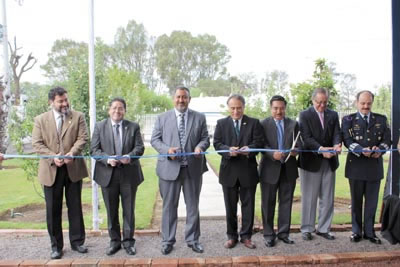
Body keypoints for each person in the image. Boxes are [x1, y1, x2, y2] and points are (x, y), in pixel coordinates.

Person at [151, 86, 210, 255]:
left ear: (189, 99)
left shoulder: (199, 117)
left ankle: (192, 239)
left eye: (184, 97)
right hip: (169, 169)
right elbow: (155, 140)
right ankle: (168, 240)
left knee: (193, 206)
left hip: (192, 169)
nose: (181, 100)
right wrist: (167, 150)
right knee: (169, 206)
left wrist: (200, 147)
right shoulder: (162, 118)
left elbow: (205, 138)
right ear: (173, 98)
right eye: (178, 97)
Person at [32, 87, 89, 259]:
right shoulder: (40, 120)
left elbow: (83, 138)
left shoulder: (78, 116)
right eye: (60, 101)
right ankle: (56, 247)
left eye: (66, 100)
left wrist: (72, 152)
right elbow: (37, 143)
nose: (65, 103)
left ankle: (77, 242)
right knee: (52, 210)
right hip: (51, 171)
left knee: (75, 207)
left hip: (73, 169)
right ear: (51, 102)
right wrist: (52, 157)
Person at [91, 97, 145, 256]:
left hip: (128, 174)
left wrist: (130, 156)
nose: (117, 111)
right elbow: (94, 150)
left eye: (120, 108)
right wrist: (107, 159)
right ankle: (114, 241)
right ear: (109, 110)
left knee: (129, 210)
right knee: (111, 210)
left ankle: (128, 242)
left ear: (124, 111)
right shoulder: (100, 127)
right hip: (108, 175)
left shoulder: (133, 127)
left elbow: (139, 148)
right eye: (114, 108)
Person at [213, 94, 264, 249]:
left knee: (248, 206)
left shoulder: (254, 123)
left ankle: (246, 236)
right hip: (229, 172)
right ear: (229, 108)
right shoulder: (221, 123)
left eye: (239, 108)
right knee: (230, 207)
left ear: (243, 107)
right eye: (233, 108)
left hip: (248, 171)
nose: (236, 111)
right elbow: (217, 143)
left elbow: (259, 142)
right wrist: (228, 150)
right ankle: (232, 236)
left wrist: (250, 149)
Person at [341, 90, 391, 244]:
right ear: (357, 103)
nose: (365, 106)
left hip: (374, 168)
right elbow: (347, 139)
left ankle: (370, 233)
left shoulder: (381, 119)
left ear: (372, 103)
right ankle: (356, 232)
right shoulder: (348, 119)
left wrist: (380, 149)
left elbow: (387, 139)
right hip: (356, 167)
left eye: (368, 103)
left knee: (371, 203)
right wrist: (361, 150)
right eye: (362, 103)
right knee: (356, 202)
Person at [298, 87, 341, 241]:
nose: (322, 106)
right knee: (309, 197)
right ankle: (307, 229)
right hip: (310, 162)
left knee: (327, 197)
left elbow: (337, 133)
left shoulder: (333, 115)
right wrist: (321, 149)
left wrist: (337, 145)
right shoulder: (304, 115)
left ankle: (323, 228)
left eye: (325, 102)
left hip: (330, 162)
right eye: (319, 102)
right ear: (312, 100)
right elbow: (306, 138)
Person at [259, 95, 299, 247]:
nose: (279, 111)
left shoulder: (294, 124)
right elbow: (260, 144)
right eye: (275, 108)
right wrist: (271, 153)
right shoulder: (263, 124)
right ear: (271, 108)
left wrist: (296, 151)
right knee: (268, 203)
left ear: (285, 108)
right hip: (269, 169)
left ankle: (284, 233)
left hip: (288, 169)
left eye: (281, 108)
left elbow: (298, 142)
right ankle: (268, 234)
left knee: (286, 203)